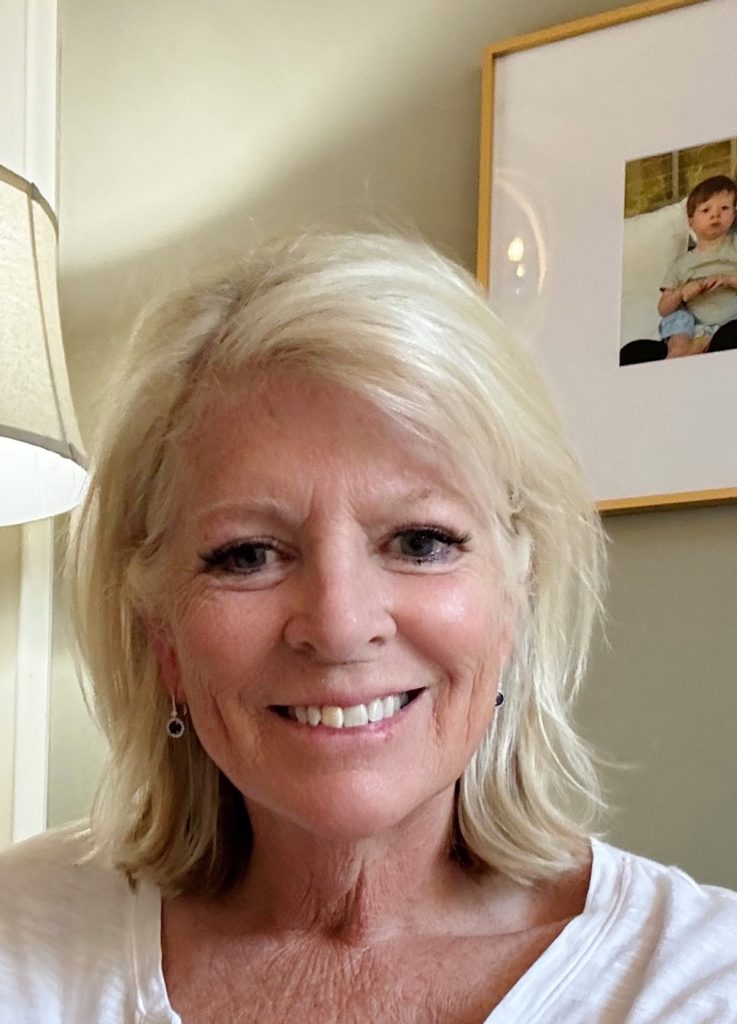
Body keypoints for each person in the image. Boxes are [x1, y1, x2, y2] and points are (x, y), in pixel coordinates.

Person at [1, 232, 736, 1023]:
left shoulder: (696, 982)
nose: (341, 625)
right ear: (162, 638)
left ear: (513, 598)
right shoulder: (20, 938)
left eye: (421, 542)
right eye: (247, 555)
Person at [658, 174, 737, 357]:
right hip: (693, 329)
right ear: (691, 222)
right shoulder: (681, 264)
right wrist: (681, 292)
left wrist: (728, 280)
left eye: (724, 208)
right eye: (706, 210)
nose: (715, 214)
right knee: (676, 315)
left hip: (731, 320)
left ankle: (707, 343)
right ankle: (680, 348)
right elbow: (663, 308)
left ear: (734, 215)